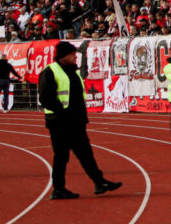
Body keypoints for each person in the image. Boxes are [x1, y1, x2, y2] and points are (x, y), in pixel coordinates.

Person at [38, 41, 122, 200]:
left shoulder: (73, 72)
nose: (75, 56)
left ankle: (99, 182)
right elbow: (45, 98)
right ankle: (58, 189)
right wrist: (62, 113)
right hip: (59, 122)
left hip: (76, 122)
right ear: (64, 56)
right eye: (72, 54)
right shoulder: (50, 71)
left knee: (86, 154)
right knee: (62, 156)